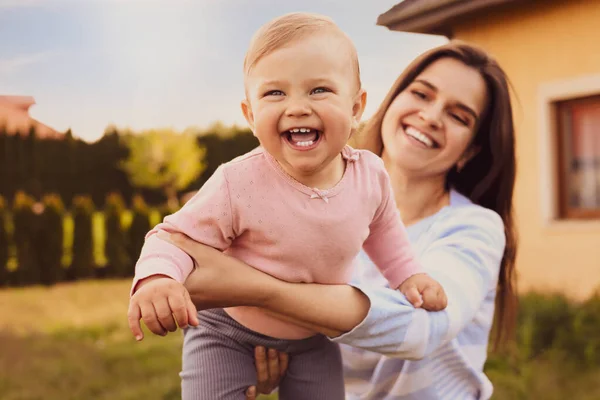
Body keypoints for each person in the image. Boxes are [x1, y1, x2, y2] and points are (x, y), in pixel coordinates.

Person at [158, 40, 518, 400]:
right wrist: (259, 356)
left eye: (458, 116)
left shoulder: (474, 227)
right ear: (389, 102)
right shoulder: (320, 206)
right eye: (422, 95)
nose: (431, 116)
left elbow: (421, 326)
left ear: (470, 149)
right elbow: (307, 337)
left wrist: (254, 289)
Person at [127, 12, 447, 400]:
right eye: (275, 93)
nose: (297, 107)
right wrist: (159, 278)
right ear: (250, 114)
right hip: (228, 332)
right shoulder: (238, 181)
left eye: (319, 90)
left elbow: (383, 232)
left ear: (356, 108)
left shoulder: (370, 175)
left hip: (314, 334)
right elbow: (173, 238)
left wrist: (408, 276)